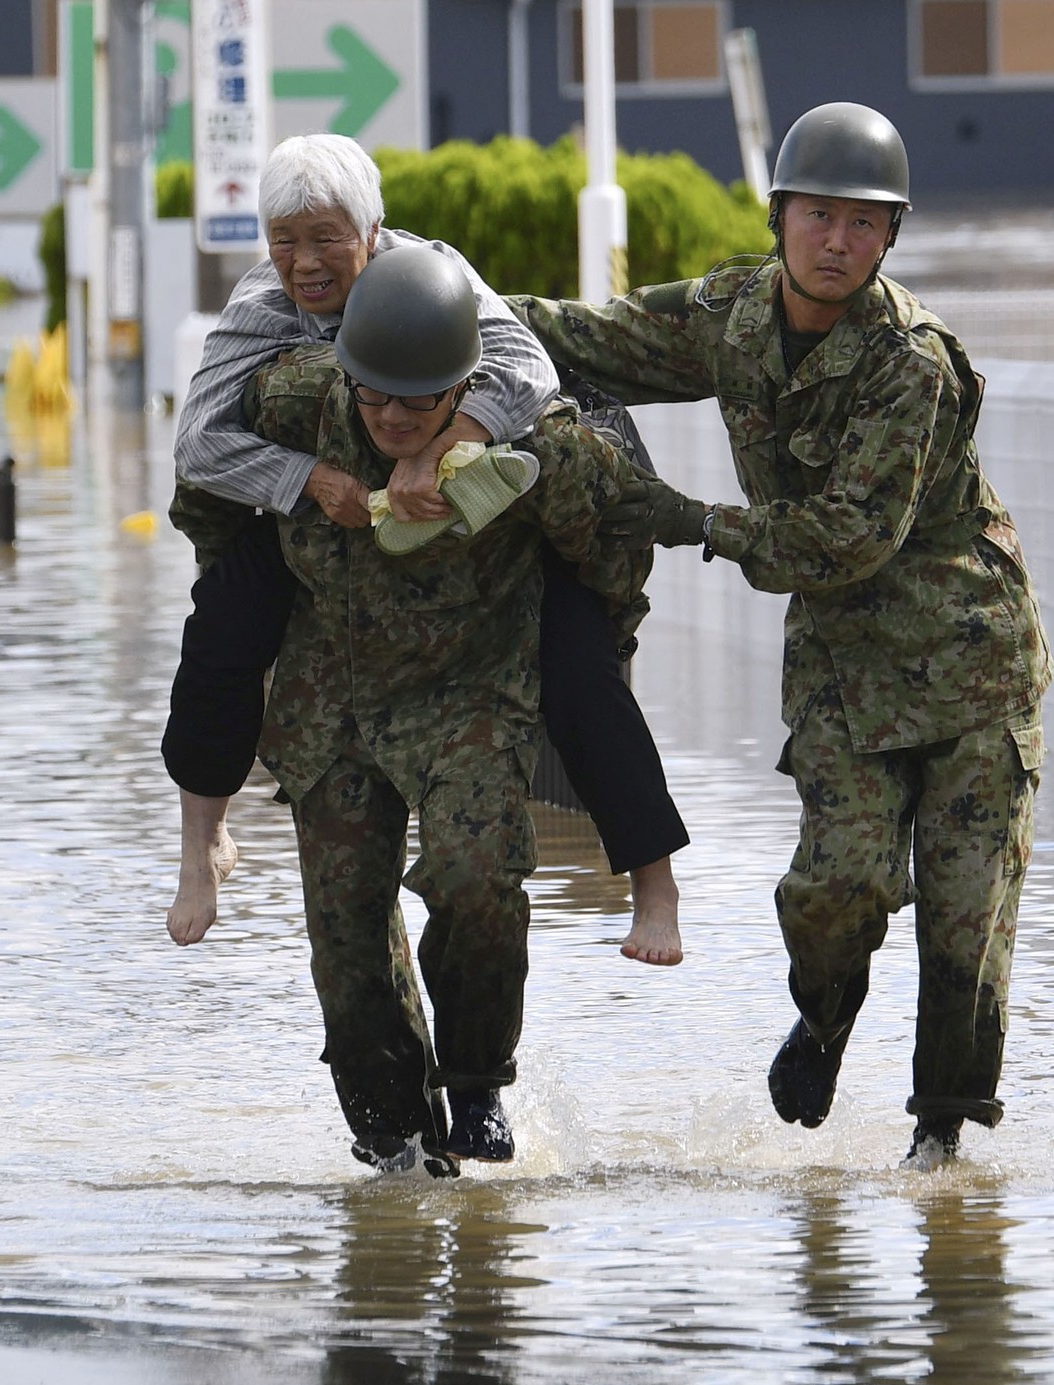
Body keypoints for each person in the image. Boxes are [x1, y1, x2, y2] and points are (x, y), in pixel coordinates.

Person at [504, 102, 1052, 1169]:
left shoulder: (911, 362)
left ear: (887, 236)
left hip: (970, 660)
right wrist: (436, 301)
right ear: (780, 216)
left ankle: (937, 1144)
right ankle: (825, 1014)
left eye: (861, 223)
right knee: (832, 886)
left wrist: (688, 520)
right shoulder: (732, 315)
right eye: (817, 216)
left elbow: (845, 539)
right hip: (846, 668)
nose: (836, 240)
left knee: (962, 925)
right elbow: (588, 335)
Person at [172, 244, 653, 1174]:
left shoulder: (530, 438)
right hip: (335, 704)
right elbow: (205, 484)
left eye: (417, 402)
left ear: (466, 387)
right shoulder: (295, 401)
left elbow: (611, 536)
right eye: (374, 397)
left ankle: (476, 1083)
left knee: (478, 884)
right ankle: (395, 1143)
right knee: (348, 947)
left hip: (471, 694)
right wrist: (284, 513)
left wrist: (591, 641)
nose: (392, 418)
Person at [163, 132, 688, 967]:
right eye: (285, 239)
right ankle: (205, 842)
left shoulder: (427, 275)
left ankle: (653, 884)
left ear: (371, 232)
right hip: (329, 518)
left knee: (581, 668)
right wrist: (307, 478)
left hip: (484, 501)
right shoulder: (263, 304)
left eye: (326, 236)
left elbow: (527, 366)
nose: (304, 262)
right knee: (221, 620)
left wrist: (443, 445)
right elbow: (196, 444)